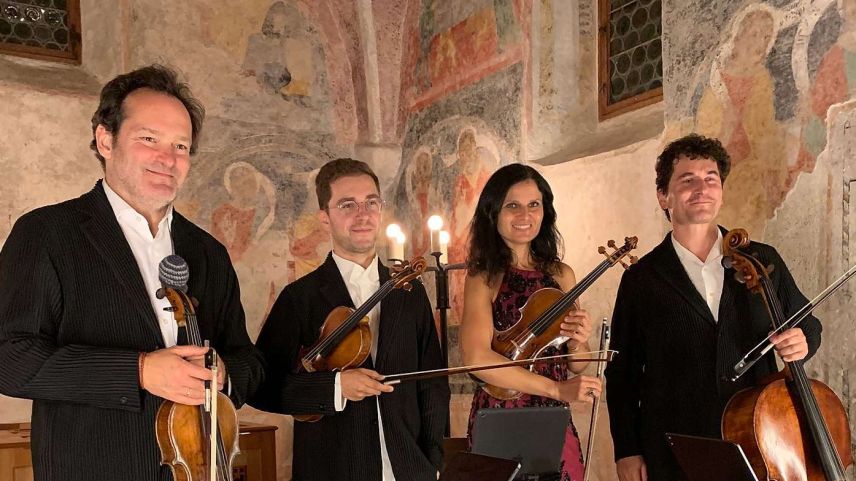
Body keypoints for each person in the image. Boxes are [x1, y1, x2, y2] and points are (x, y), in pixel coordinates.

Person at [0, 65, 265, 481]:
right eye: (148, 139)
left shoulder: (209, 252)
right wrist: (139, 371)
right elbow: (9, 359)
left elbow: (249, 361)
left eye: (181, 146)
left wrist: (226, 373)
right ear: (106, 140)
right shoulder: (47, 233)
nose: (168, 159)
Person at [605, 134, 822, 481]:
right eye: (687, 180)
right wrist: (627, 449)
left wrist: (803, 340)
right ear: (664, 196)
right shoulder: (642, 278)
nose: (702, 188)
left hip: (757, 438)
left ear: (721, 192)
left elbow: (809, 323)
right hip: (675, 444)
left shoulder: (761, 259)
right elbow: (622, 374)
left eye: (711, 179)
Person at [250, 158, 450, 481]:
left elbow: (433, 384)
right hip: (333, 469)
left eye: (371, 202)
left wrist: (433, 460)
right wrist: (336, 386)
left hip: (410, 469)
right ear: (324, 218)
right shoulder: (299, 298)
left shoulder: (408, 291)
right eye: (348, 205)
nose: (363, 215)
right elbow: (261, 387)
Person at [459, 163, 603, 481]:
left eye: (533, 205)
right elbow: (476, 358)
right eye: (513, 205)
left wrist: (580, 339)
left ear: (545, 211)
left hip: (553, 415)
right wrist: (556, 388)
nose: (525, 215)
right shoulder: (483, 276)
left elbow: (576, 364)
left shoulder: (561, 274)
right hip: (501, 412)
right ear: (493, 212)